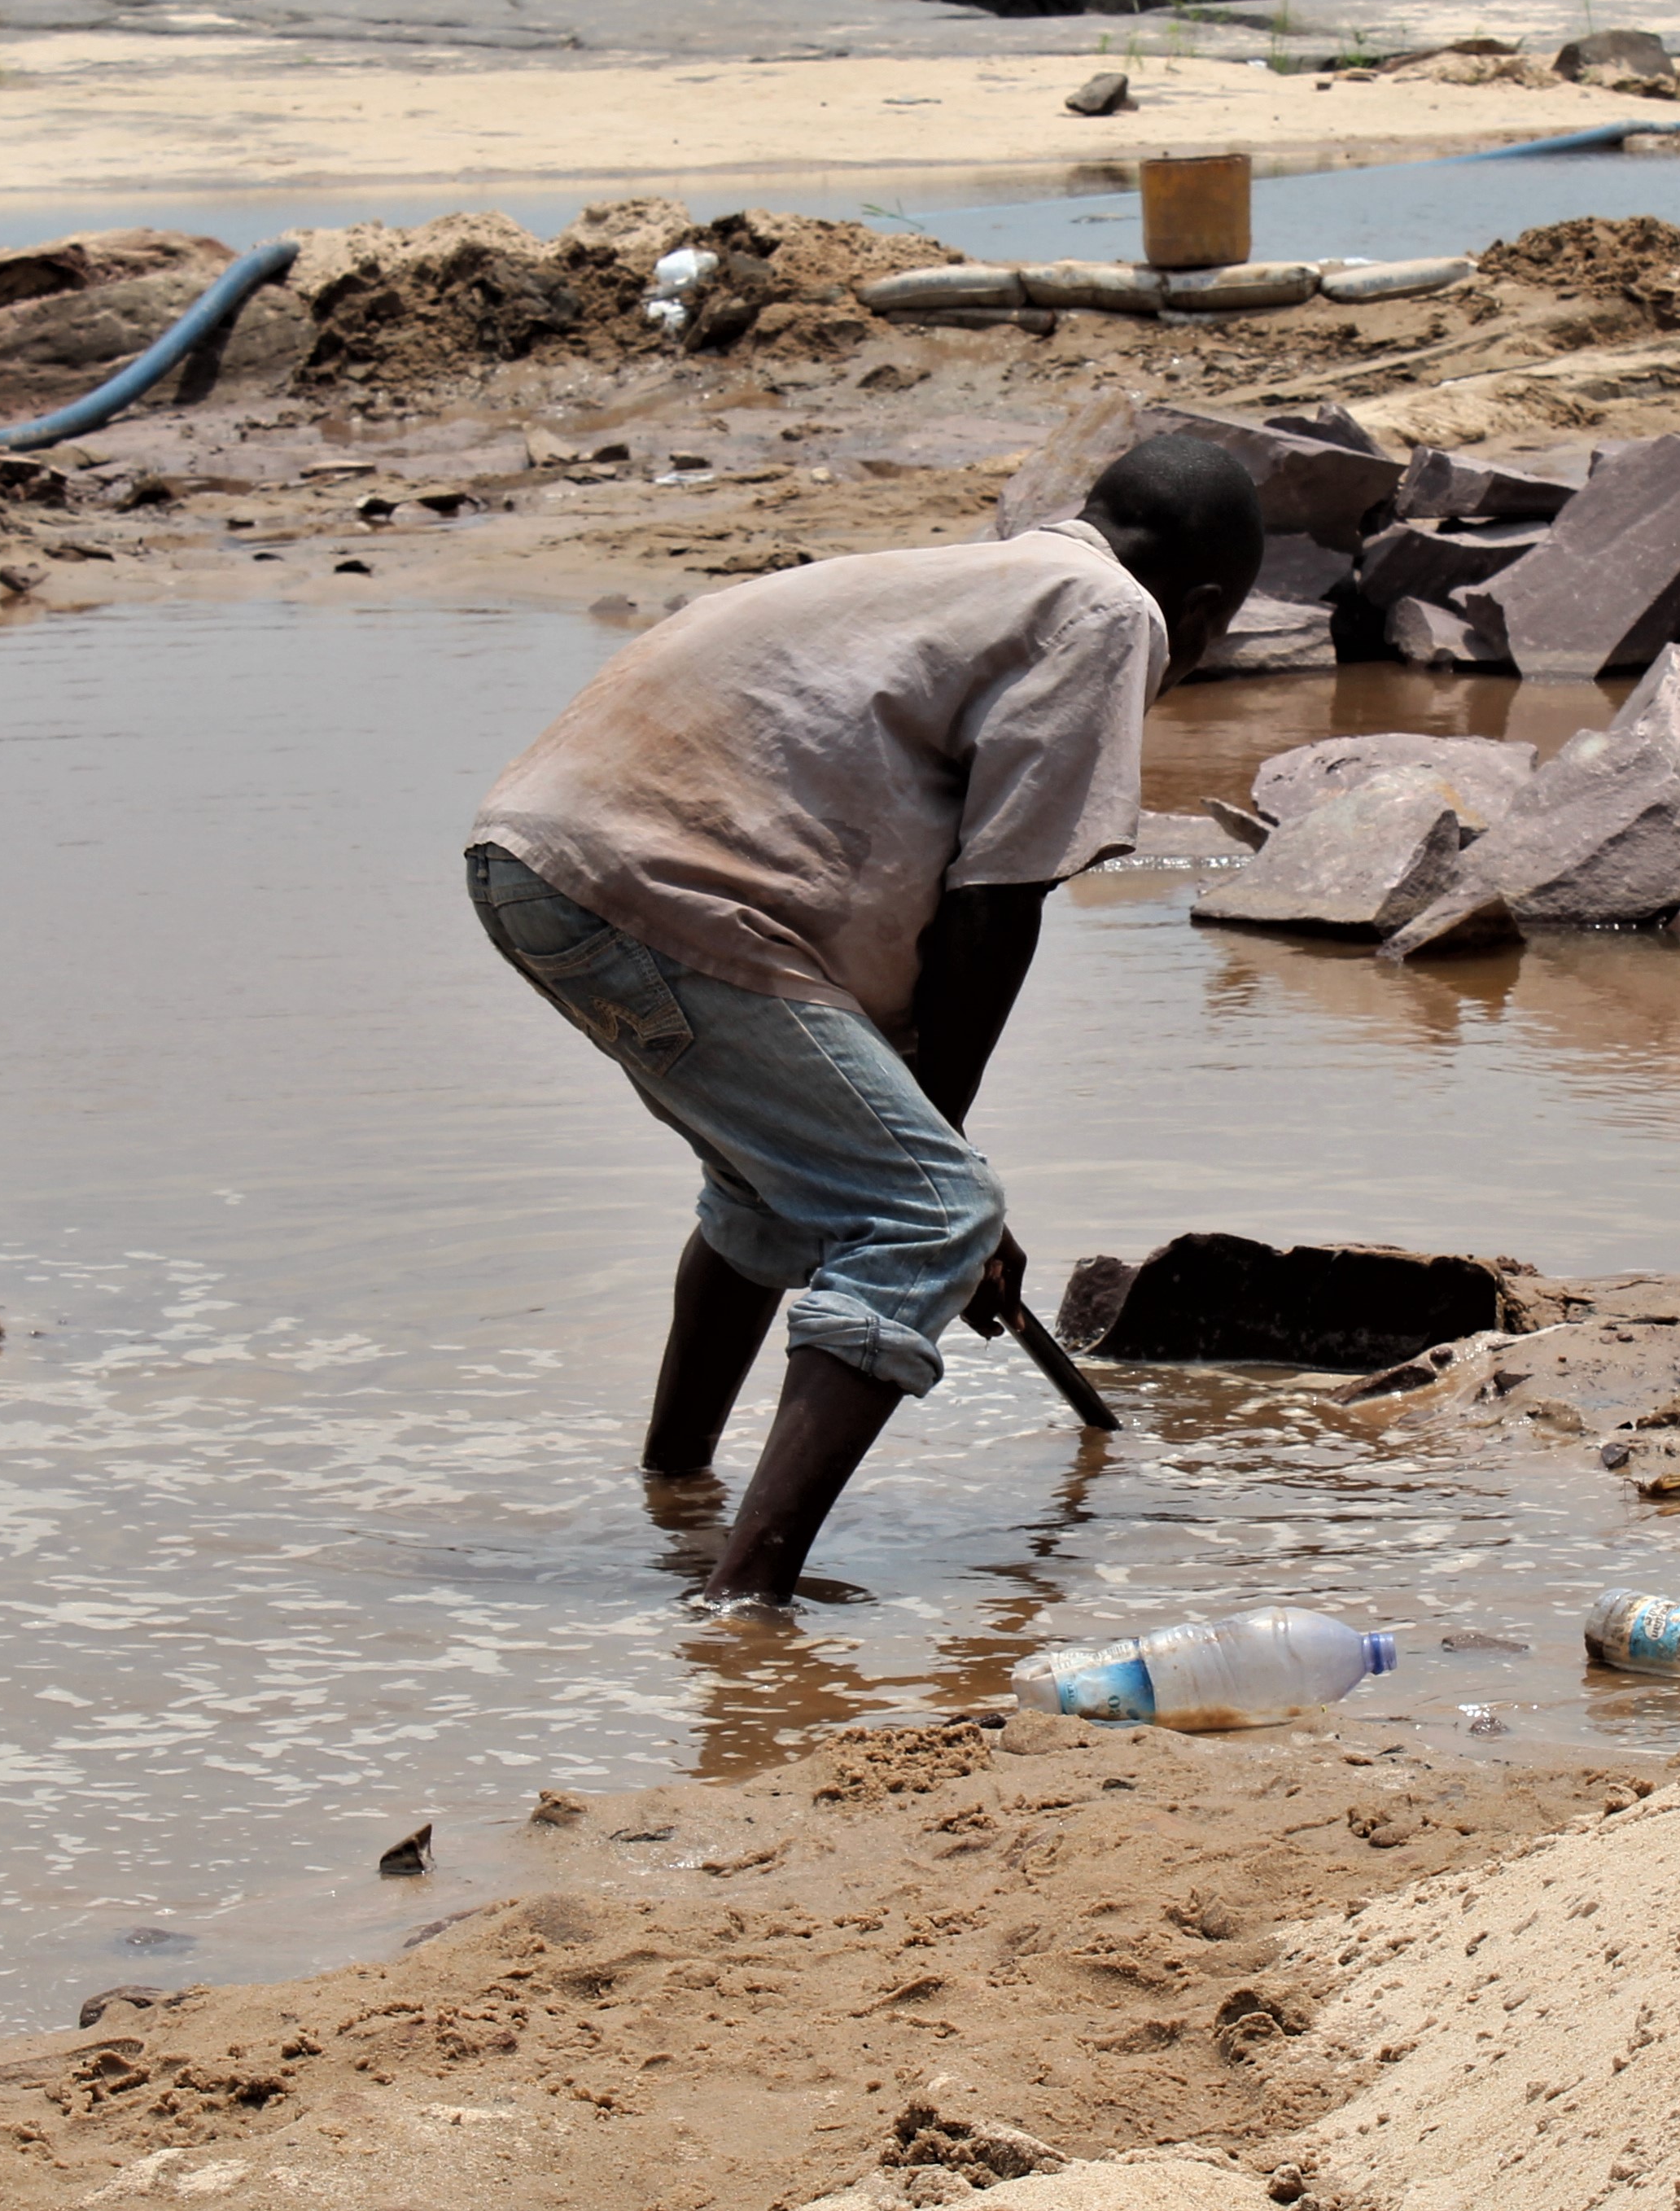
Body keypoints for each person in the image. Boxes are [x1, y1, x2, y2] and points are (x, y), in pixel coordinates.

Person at [467, 434, 1267, 1605]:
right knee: (926, 1213)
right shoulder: (1108, 616)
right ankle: (747, 1597)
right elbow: (995, 906)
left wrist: (912, 1151)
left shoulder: (994, 581)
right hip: (659, 878)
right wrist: (940, 1178)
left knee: (775, 1186)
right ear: (1201, 611)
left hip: (539, 857)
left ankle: (675, 1489)